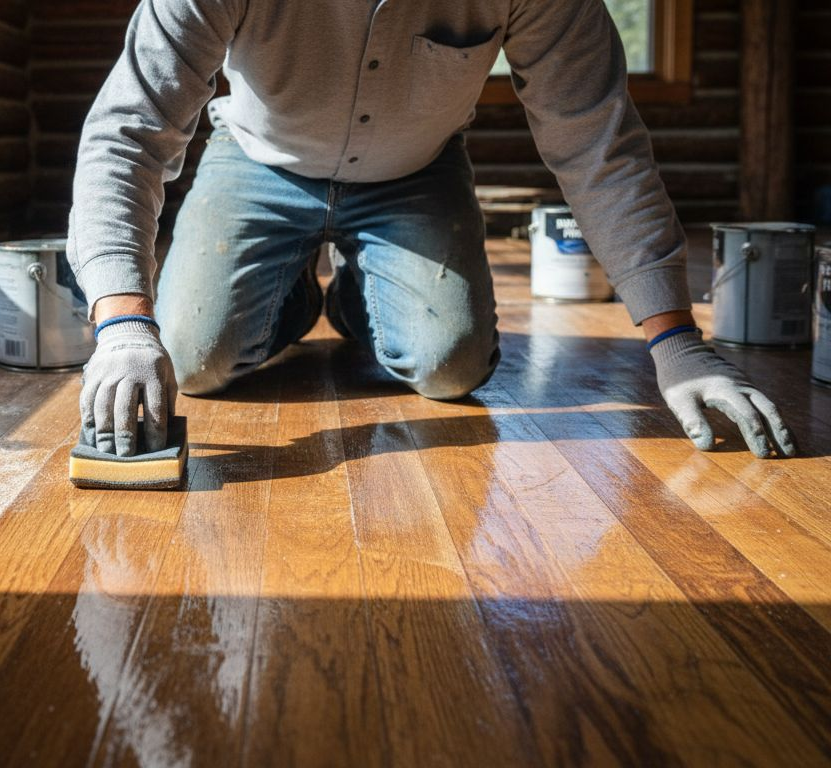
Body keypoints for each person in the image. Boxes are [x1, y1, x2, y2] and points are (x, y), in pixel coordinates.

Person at [67, 0, 796, 460]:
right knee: (194, 360)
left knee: (451, 366)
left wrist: (677, 343)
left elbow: (597, 145)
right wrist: (124, 325)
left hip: (414, 171)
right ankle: (286, 293)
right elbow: (128, 133)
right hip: (259, 159)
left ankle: (358, 299)